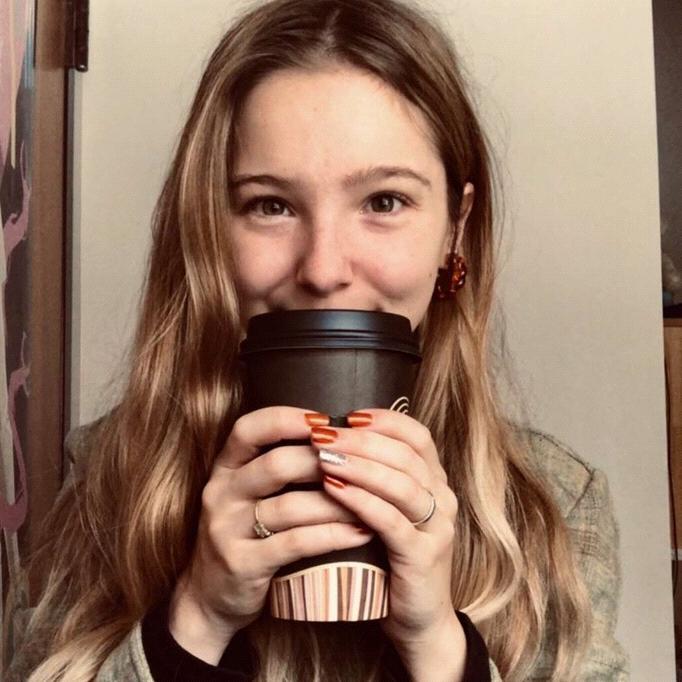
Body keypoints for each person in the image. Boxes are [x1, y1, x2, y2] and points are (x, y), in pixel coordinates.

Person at [5, 0, 629, 680]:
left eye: (384, 201)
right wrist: (198, 618)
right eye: (270, 205)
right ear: (211, 227)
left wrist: (440, 647)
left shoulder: (551, 507)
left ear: (456, 228)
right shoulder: (114, 477)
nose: (324, 270)